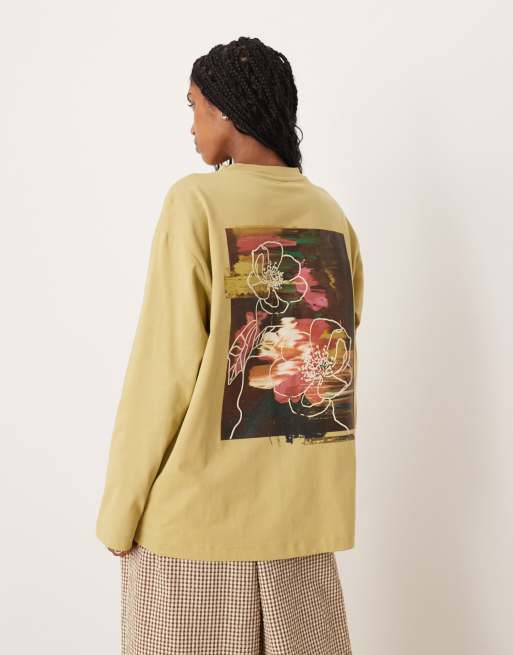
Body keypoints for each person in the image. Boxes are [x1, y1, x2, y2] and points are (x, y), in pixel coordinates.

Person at [96, 35, 364, 655]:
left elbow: (165, 368)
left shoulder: (195, 201)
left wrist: (120, 508)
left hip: (196, 534)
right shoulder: (331, 215)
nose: (191, 125)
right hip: (301, 533)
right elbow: (336, 356)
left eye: (193, 106)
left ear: (225, 108)